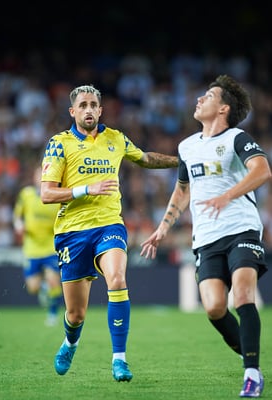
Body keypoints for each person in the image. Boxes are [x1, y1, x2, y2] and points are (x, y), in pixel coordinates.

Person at [140, 75, 272, 398]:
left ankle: (251, 374)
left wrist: (228, 196)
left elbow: (262, 170)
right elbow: (182, 191)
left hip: (241, 227)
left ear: (223, 108)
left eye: (209, 96)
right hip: (207, 238)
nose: (200, 99)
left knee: (243, 295)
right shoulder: (187, 147)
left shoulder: (237, 138)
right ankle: (248, 353)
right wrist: (163, 228)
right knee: (214, 308)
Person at [40, 84, 178, 382]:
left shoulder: (116, 138)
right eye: (83, 105)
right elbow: (46, 194)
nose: (88, 109)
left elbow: (145, 159)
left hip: (109, 224)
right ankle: (70, 343)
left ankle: (119, 360)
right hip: (72, 232)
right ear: (72, 112)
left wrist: (181, 161)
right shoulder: (59, 143)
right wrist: (86, 189)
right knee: (75, 314)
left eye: (93, 105)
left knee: (117, 278)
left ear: (100, 110)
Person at [13, 165, 63, 326]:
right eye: (39, 176)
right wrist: (19, 225)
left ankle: (52, 314)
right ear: (34, 178)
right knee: (32, 288)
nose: (42, 179)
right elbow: (17, 216)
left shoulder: (57, 198)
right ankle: (43, 289)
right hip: (32, 248)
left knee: (53, 281)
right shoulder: (26, 194)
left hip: (50, 247)